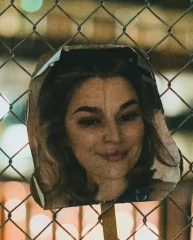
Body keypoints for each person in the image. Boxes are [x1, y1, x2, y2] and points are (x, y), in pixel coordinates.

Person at [29, 47, 180, 209]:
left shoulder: (168, 202)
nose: (115, 136)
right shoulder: (52, 209)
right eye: (91, 121)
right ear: (62, 133)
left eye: (127, 117)